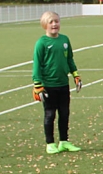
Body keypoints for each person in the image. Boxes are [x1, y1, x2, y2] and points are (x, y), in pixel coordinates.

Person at [33, 11, 82, 154]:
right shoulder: (41, 43)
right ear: (45, 25)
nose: (54, 24)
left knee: (64, 113)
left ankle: (64, 141)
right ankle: (50, 143)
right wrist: (37, 84)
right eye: (51, 22)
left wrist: (75, 75)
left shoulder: (65, 40)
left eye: (56, 21)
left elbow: (69, 59)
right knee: (50, 114)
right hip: (48, 85)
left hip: (63, 84)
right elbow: (37, 65)